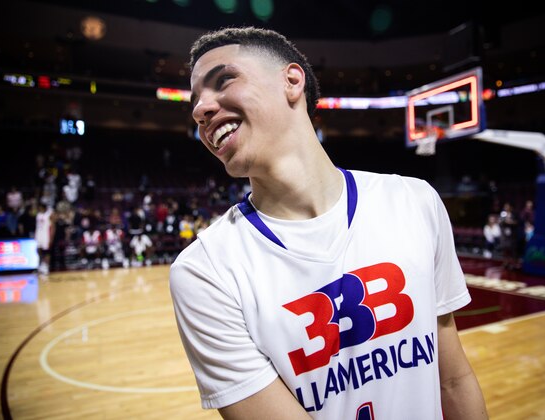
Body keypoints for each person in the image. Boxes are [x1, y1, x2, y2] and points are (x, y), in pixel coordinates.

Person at [169, 26, 488, 420]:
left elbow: (453, 381)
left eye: (223, 80)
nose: (200, 108)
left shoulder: (415, 200)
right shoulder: (203, 272)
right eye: (196, 99)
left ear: (291, 81)